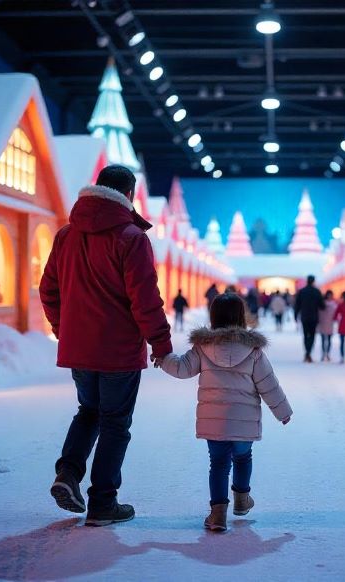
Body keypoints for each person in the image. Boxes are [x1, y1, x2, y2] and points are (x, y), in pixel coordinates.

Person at [40, 164, 172, 526]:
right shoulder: (131, 238)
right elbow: (145, 300)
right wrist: (161, 344)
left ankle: (68, 473)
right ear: (129, 196)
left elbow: (48, 290)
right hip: (118, 352)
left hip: (79, 348)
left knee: (89, 411)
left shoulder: (66, 235)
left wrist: (63, 327)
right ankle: (102, 503)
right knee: (115, 422)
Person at [159, 293, 292, 532]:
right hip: (244, 423)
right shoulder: (253, 351)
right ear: (241, 316)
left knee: (218, 464)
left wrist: (163, 358)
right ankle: (241, 500)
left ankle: (218, 514)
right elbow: (268, 384)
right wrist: (282, 411)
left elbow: (181, 368)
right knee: (243, 458)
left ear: (214, 316)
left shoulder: (202, 348)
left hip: (215, 423)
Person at [294, 276, 325, 363]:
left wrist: (295, 315)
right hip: (314, 317)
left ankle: (307, 352)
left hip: (304, 317)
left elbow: (297, 305)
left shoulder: (302, 291)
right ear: (313, 281)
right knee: (312, 335)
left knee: (305, 335)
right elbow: (322, 306)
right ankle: (308, 352)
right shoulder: (317, 291)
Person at [318, 290, 338, 361]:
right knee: (323, 340)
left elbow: (336, 313)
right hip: (323, 322)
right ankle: (323, 354)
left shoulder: (334, 303)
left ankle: (328, 353)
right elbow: (319, 313)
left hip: (330, 323)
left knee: (329, 340)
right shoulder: (323, 303)